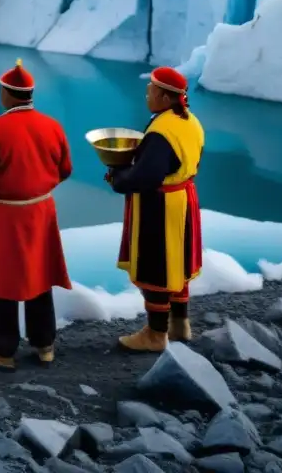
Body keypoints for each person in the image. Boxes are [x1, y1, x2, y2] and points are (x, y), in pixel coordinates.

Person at [0, 58, 73, 370]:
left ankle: (3, 349)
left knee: (2, 278)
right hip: (42, 211)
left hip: (6, 215)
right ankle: (45, 344)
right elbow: (65, 169)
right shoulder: (52, 125)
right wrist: (37, 190)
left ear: (7, 94)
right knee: (40, 273)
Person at [106, 66, 205, 353]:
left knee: (156, 267)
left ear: (163, 96)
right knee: (179, 265)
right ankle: (179, 324)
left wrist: (118, 176)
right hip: (184, 199)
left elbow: (145, 178)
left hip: (159, 207)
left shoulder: (162, 131)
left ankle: (155, 334)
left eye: (151, 89)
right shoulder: (189, 121)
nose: (147, 93)